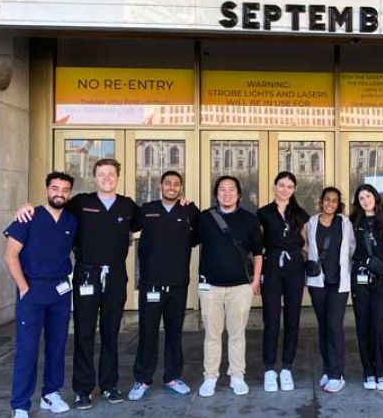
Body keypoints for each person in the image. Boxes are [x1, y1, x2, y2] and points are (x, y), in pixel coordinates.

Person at [16, 158, 140, 409]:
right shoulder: (81, 203)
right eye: (101, 174)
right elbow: (52, 207)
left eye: (111, 174)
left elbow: (149, 222)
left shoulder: (128, 206)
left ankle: (109, 384)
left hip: (115, 276)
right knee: (84, 333)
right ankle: (83, 389)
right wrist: (26, 207)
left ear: (118, 177)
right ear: (95, 177)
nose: (106, 178)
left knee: (110, 332)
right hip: (86, 276)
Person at [3, 172, 78, 418]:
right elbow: (10, 255)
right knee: (27, 349)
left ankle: (51, 393)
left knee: (57, 345)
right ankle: (21, 404)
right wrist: (24, 288)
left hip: (60, 291)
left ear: (70, 193)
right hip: (32, 290)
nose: (60, 193)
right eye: (55, 188)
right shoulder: (28, 216)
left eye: (65, 189)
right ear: (47, 190)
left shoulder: (71, 221)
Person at [128, 170, 199, 400]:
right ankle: (142, 380)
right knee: (147, 333)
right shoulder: (147, 210)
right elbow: (125, 229)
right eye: (167, 183)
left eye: (176, 184)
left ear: (181, 188)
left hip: (178, 284)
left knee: (175, 333)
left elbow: (200, 236)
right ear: (161, 186)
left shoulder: (189, 211)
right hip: (151, 284)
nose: (171, 187)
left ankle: (172, 377)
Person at [197, 175, 263, 398]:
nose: (227, 193)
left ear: (239, 194)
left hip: (240, 287)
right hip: (210, 288)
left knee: (237, 334)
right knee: (212, 335)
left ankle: (237, 376)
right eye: (222, 189)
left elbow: (258, 253)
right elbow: (186, 238)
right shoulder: (205, 218)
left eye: (231, 189)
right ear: (216, 194)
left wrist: (255, 280)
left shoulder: (249, 219)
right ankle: (210, 377)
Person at [257, 172, 310, 392]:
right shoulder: (263, 213)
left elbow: (306, 244)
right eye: (281, 185)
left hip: (294, 267)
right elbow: (257, 245)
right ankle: (269, 369)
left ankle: (287, 368)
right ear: (274, 186)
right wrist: (256, 275)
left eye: (289, 186)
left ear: (294, 189)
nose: (285, 189)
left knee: (292, 317)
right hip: (271, 265)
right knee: (271, 318)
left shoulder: (300, 213)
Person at [304, 187, 355, 393]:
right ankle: (327, 368)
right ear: (321, 201)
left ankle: (337, 373)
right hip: (318, 283)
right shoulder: (311, 222)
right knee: (324, 325)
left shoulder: (345, 223)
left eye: (334, 201)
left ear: (338, 204)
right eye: (327, 200)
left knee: (334, 325)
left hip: (339, 283)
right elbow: (306, 246)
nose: (330, 204)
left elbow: (352, 247)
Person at [350, 184, 383, 391]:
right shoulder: (352, 222)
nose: (365, 200)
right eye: (361, 198)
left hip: (381, 277)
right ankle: (367, 370)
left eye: (368, 196)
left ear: (375, 198)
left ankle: (380, 370)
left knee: (378, 324)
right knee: (362, 324)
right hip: (360, 276)